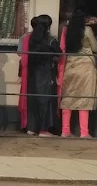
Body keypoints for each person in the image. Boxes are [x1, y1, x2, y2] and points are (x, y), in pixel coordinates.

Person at [19, 15, 60, 136]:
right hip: (46, 72)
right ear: (48, 26)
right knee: (46, 100)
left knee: (33, 99)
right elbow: (60, 52)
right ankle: (44, 129)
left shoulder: (30, 39)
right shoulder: (51, 39)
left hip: (32, 73)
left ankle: (32, 128)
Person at [59, 8, 97, 138]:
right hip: (86, 66)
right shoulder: (87, 30)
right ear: (84, 19)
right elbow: (95, 47)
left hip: (70, 65)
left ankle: (65, 131)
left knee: (68, 96)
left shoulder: (66, 30)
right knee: (85, 97)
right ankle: (84, 132)